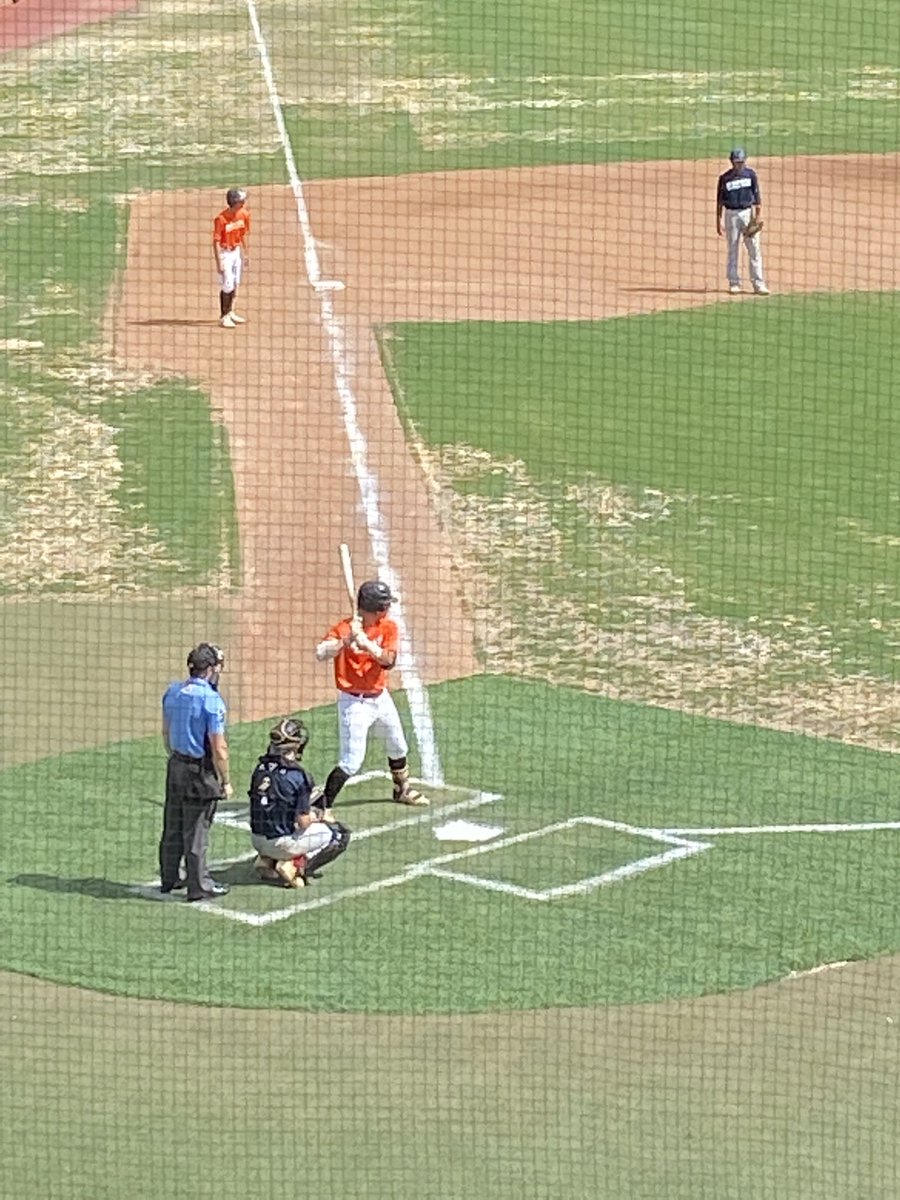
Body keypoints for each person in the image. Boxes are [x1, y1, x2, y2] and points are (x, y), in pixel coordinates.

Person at [314, 579, 429, 820]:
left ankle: (401, 789)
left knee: (398, 746)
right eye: (385, 605)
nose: (388, 609)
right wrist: (345, 641)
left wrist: (367, 644)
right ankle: (322, 806)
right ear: (376, 609)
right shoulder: (345, 628)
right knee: (351, 761)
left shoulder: (388, 627)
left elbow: (388, 661)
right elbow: (321, 653)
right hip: (354, 703)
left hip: (381, 698)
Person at [158, 643, 232, 902]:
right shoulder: (211, 700)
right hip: (199, 772)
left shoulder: (173, 691)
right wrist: (226, 780)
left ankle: (169, 878)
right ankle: (199, 886)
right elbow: (218, 747)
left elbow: (166, 731)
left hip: (175, 765)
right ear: (210, 669)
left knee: (173, 825)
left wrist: (175, 756)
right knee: (197, 831)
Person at [248, 718, 351, 889]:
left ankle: (266, 860)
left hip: (256, 839)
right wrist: (317, 815)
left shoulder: (259, 768)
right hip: (281, 843)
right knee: (339, 834)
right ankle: (295, 867)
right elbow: (303, 822)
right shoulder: (298, 775)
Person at [716, 148, 769, 296]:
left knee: (754, 249)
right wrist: (718, 222)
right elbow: (719, 202)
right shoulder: (725, 178)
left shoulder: (750, 175)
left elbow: (757, 197)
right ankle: (734, 283)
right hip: (731, 215)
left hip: (747, 214)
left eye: (741, 162)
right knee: (733, 249)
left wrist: (757, 216)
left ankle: (758, 284)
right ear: (731, 162)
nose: (739, 165)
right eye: (736, 162)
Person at [213, 187, 251, 328]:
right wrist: (219, 262)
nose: (243, 203)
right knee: (228, 284)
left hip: (236, 252)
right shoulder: (221, 219)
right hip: (225, 253)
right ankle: (224, 317)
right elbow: (216, 242)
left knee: (235, 283)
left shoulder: (244, 214)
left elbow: (243, 235)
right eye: (241, 201)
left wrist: (245, 253)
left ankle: (230, 312)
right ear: (234, 202)